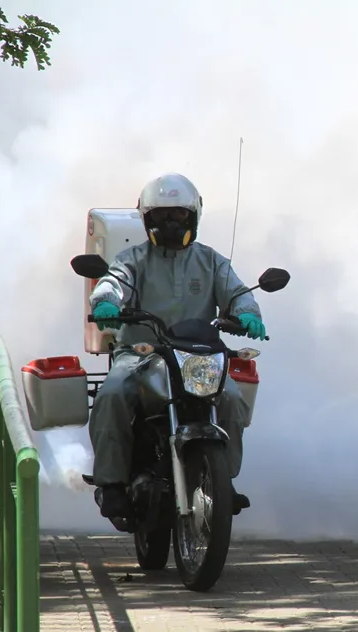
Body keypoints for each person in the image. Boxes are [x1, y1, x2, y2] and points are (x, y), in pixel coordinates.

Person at [88, 172, 266, 521]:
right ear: (147, 219)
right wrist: (105, 304)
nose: (170, 223)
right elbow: (112, 283)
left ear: (193, 216)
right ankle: (111, 484)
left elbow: (238, 293)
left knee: (231, 397)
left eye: (179, 215)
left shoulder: (211, 261)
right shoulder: (132, 259)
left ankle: (223, 480)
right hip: (141, 354)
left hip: (197, 355)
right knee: (111, 394)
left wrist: (248, 314)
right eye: (162, 216)